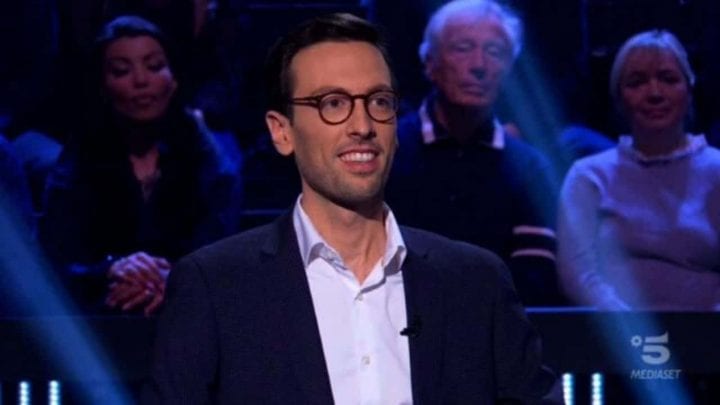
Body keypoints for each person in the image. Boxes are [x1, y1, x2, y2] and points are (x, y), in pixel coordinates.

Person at [147, 12, 556, 404]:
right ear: (282, 132)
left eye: (379, 102)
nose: (363, 126)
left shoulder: (477, 282)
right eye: (333, 103)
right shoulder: (215, 286)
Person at [38, 16, 242, 316]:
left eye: (155, 66)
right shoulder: (79, 158)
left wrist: (173, 280)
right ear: (102, 85)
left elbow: (222, 254)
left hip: (193, 310)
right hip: (103, 311)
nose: (141, 81)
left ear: (173, 80)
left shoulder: (210, 160)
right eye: (121, 70)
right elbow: (57, 259)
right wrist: (111, 269)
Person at [385, 0, 562, 306]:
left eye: (495, 52)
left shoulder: (530, 167)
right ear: (430, 63)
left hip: (496, 326)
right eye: (463, 48)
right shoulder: (387, 150)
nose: (479, 65)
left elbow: (534, 276)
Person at [557, 29, 720, 310]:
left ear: (689, 90)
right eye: (637, 82)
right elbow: (577, 274)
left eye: (668, 79)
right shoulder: (588, 176)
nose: (654, 93)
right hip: (615, 333)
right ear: (619, 97)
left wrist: (706, 327)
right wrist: (630, 328)